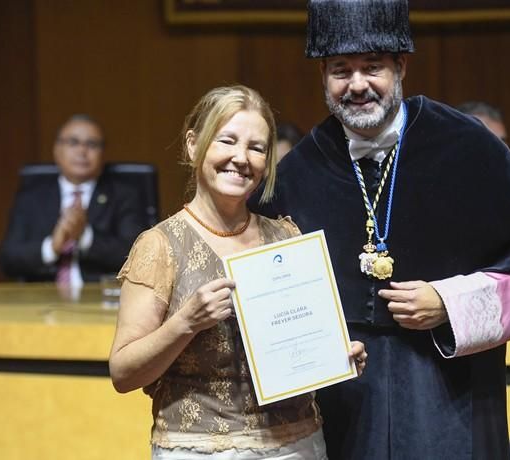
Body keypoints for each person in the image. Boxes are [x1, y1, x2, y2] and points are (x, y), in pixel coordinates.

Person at [248, 1, 510, 459]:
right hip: (343, 403)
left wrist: (449, 303)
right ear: (323, 74)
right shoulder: (300, 169)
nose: (357, 85)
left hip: (446, 394)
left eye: (373, 68)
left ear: (400, 66)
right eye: (341, 70)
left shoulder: (466, 145)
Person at [108, 85, 367, 460]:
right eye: (226, 141)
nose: (241, 158)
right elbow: (123, 374)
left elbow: (302, 343)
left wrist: (336, 358)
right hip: (200, 450)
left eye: (257, 147)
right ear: (193, 145)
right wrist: (186, 322)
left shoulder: (286, 236)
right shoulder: (160, 245)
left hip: (299, 443)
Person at [0, 114, 148, 285]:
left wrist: (85, 237)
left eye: (92, 144)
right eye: (73, 142)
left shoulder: (124, 195)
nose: (82, 151)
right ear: (56, 149)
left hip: (99, 296)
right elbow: (8, 260)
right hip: (43, 298)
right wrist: (51, 247)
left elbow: (138, 257)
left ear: (103, 153)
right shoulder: (32, 196)